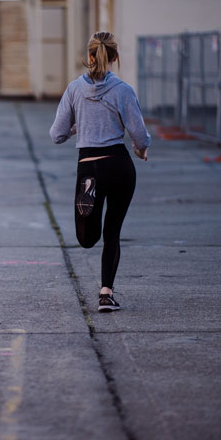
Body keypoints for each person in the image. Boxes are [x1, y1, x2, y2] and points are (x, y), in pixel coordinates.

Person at [49, 31, 151, 312]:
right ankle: (106, 293)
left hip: (89, 166)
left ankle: (104, 286)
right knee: (112, 232)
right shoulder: (124, 90)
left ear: (89, 56)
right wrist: (141, 149)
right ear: (115, 57)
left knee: (86, 238)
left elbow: (56, 135)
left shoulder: (74, 89)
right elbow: (140, 136)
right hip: (119, 165)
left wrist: (77, 127)